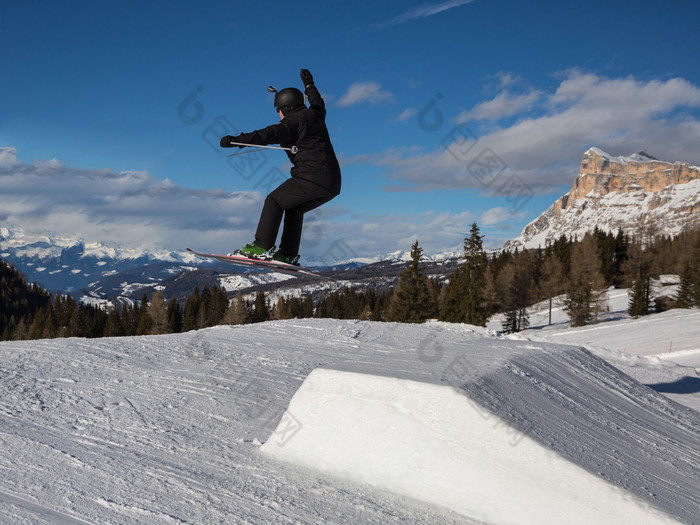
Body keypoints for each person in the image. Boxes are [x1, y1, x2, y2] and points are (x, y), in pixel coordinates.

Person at [220, 68, 341, 265]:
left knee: (274, 200)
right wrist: (310, 86)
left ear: (285, 108)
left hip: (310, 178)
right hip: (332, 184)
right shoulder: (316, 115)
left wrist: (235, 140)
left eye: (278, 110)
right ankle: (287, 254)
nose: (279, 115)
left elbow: (265, 135)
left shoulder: (291, 123)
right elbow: (319, 103)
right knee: (293, 208)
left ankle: (261, 246)